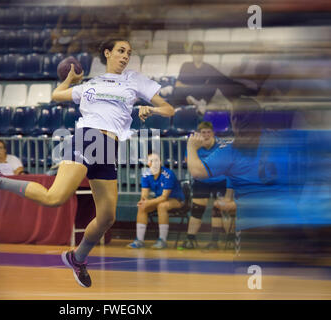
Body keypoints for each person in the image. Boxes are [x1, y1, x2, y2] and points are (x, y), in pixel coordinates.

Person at [0, 38, 175, 288]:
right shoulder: (91, 84)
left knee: (107, 217)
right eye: (120, 51)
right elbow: (57, 95)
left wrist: (150, 110)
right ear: (107, 53)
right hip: (87, 138)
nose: (125, 56)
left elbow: (169, 109)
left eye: (129, 53)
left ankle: (77, 258)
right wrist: (70, 79)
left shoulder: (135, 80)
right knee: (54, 198)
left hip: (109, 150)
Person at [186, 97, 305, 257]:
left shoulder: (231, 150)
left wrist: (191, 147)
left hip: (255, 227)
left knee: (252, 279)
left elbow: (197, 171)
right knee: (290, 278)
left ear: (235, 120)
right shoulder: (279, 139)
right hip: (289, 221)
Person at [180, 121, 230, 250]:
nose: (206, 135)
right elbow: (188, 162)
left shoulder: (221, 145)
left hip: (220, 180)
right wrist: (194, 150)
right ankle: (190, 240)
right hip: (202, 180)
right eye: (203, 133)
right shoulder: (195, 144)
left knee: (218, 209)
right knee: (197, 209)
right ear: (199, 134)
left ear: (213, 133)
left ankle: (215, 242)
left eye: (208, 132)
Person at [127, 153, 185, 249]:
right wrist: (143, 200)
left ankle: (162, 240)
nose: (154, 163)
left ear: (160, 162)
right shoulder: (146, 174)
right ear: (148, 163)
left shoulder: (168, 174)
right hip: (160, 199)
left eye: (157, 160)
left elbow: (164, 197)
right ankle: (139, 240)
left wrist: (148, 202)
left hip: (177, 200)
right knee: (142, 206)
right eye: (151, 161)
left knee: (162, 206)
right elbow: (144, 194)